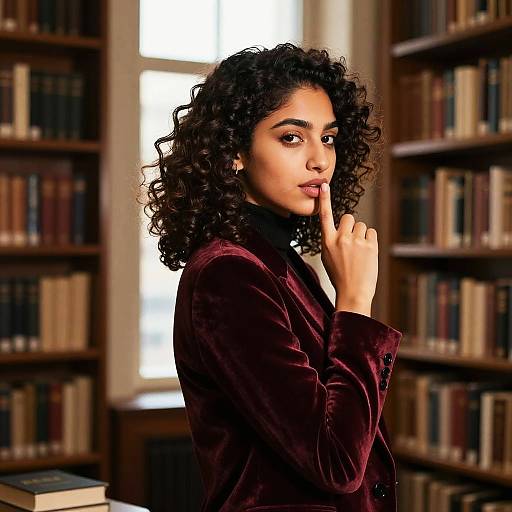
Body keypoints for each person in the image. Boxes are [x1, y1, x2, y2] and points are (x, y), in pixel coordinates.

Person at [141, 42, 403, 512]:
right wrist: (357, 300)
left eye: (328, 137)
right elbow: (336, 462)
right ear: (236, 151)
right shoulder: (229, 273)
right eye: (291, 137)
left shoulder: (278, 261)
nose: (320, 160)